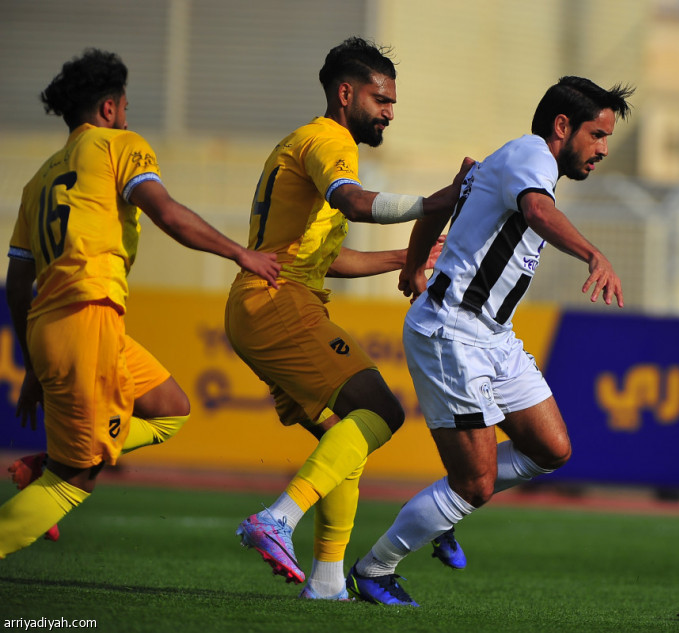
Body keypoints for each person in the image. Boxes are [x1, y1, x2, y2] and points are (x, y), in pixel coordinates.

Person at [346, 76, 634, 606]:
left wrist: (413, 266)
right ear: (562, 126)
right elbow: (537, 214)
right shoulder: (531, 156)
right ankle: (374, 568)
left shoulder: (507, 162)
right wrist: (594, 254)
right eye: (596, 134)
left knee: (551, 449)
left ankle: (448, 504)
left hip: (491, 334)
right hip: (451, 331)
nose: (603, 149)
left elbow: (440, 206)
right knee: (475, 484)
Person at [0, 48, 282, 559]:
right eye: (125, 106)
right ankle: (63, 462)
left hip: (56, 325)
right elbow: (167, 213)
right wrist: (242, 253)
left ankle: (62, 452)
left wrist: (32, 367)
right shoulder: (118, 145)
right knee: (78, 478)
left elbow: (18, 284)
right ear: (109, 108)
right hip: (88, 318)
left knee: (171, 409)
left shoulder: (37, 179)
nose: (128, 115)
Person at [226, 37, 469, 601]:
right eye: (380, 100)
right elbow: (355, 203)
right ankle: (278, 519)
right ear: (345, 93)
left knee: (346, 439)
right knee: (381, 410)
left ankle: (328, 580)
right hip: (277, 299)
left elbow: (325, 257)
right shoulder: (330, 140)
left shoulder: (302, 142)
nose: (388, 112)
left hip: (269, 298)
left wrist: (404, 261)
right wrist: (437, 202)